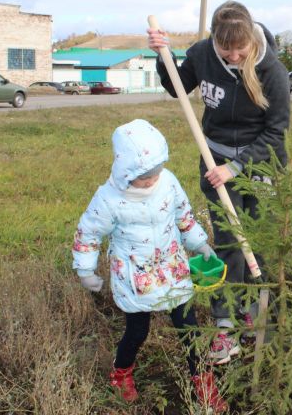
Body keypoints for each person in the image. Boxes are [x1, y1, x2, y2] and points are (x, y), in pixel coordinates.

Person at [148, 0, 290, 365]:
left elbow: (276, 133)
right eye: (226, 50)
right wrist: (161, 56)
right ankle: (225, 326)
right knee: (228, 243)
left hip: (260, 165)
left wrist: (238, 167)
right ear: (215, 41)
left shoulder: (271, 69)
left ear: (250, 41)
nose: (233, 56)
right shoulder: (203, 54)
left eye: (239, 49)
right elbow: (175, 88)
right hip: (214, 161)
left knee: (257, 242)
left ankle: (257, 315)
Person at [72, 119, 226, 411]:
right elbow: (89, 232)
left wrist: (199, 242)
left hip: (172, 267)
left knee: (189, 327)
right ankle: (121, 373)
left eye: (156, 172)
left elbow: (183, 215)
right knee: (137, 330)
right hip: (135, 276)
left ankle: (202, 378)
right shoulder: (108, 199)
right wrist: (85, 270)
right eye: (144, 176)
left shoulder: (167, 181)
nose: (152, 180)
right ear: (125, 170)